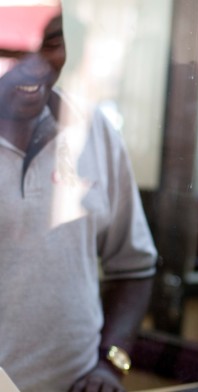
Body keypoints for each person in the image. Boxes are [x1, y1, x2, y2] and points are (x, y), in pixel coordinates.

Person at [0, 4, 157, 392]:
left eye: (52, 44)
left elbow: (134, 267)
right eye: (19, 49)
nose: (35, 66)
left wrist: (110, 364)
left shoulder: (95, 131)